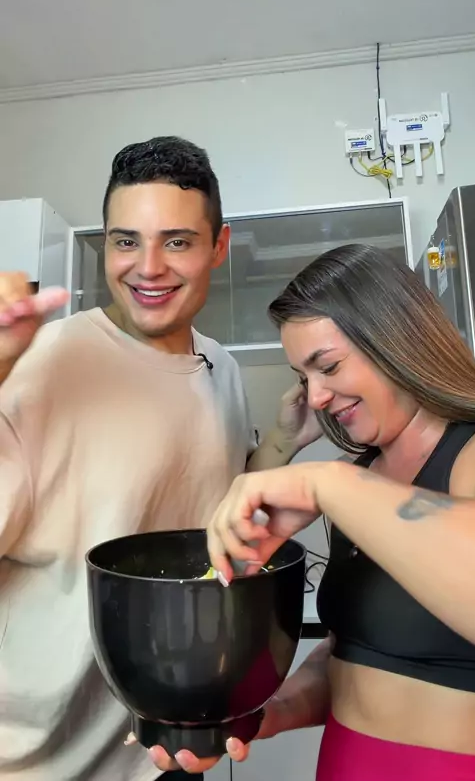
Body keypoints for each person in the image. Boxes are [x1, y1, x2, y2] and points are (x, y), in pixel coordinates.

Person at [0, 136, 320, 781]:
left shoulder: (220, 366)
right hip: (35, 757)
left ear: (218, 247)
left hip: (167, 752)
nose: (147, 268)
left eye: (176, 241)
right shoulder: (43, 363)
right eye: (126, 241)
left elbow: (213, 512)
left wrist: (283, 442)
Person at [157, 244, 475, 780]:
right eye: (305, 378)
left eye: (327, 367)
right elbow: (349, 658)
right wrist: (267, 715)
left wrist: (324, 481)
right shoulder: (364, 477)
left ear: (397, 340)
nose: (317, 396)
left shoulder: (467, 452)